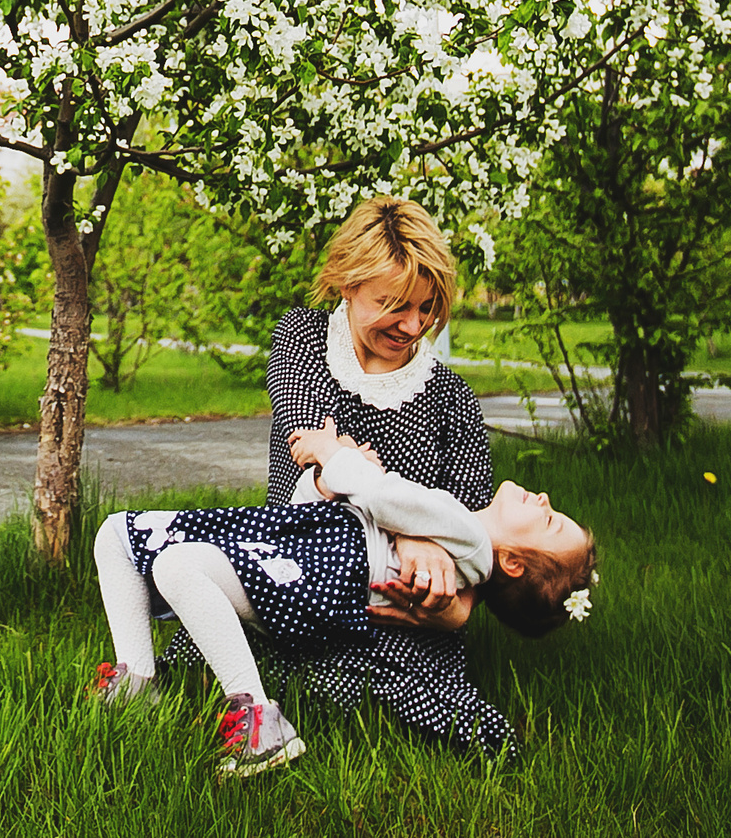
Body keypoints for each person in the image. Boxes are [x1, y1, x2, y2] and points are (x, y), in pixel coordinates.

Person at [162, 195, 528, 756]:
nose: (412, 325)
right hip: (296, 573)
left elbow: (474, 540)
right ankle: (291, 694)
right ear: (346, 283)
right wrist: (415, 533)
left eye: (426, 307)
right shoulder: (303, 340)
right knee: (204, 649)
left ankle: (338, 690)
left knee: (471, 724)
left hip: (402, 615)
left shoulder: (452, 399)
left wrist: (448, 604)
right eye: (393, 304)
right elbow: (320, 463)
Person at [89, 418, 596, 776]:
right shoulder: (455, 527)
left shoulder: (467, 533)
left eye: (549, 522)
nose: (546, 500)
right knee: (118, 537)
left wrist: (334, 454)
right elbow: (325, 510)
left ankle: (258, 721)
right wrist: (326, 482)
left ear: (511, 563)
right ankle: (138, 685)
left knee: (167, 561)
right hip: (292, 547)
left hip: (310, 576)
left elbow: (378, 497)